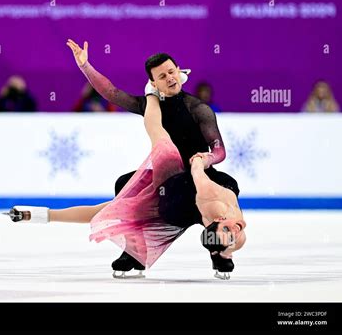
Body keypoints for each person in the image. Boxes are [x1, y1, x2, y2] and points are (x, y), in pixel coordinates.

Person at [4, 93, 246, 280]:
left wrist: (41, 215)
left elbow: (98, 213)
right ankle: (135, 250)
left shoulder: (231, 230)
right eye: (231, 230)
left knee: (123, 206)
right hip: (189, 184)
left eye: (229, 235)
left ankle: (215, 254)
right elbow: (196, 170)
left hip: (186, 194)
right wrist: (200, 161)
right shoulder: (209, 196)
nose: (235, 229)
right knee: (149, 162)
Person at [65, 39, 240, 277]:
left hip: (199, 173)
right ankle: (134, 250)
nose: (169, 78)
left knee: (213, 197)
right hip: (168, 177)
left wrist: (205, 159)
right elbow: (111, 93)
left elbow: (220, 150)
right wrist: (86, 66)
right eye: (162, 76)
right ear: (153, 83)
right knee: (124, 184)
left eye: (171, 72)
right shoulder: (148, 105)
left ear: (179, 72)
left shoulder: (198, 109)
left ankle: (218, 251)